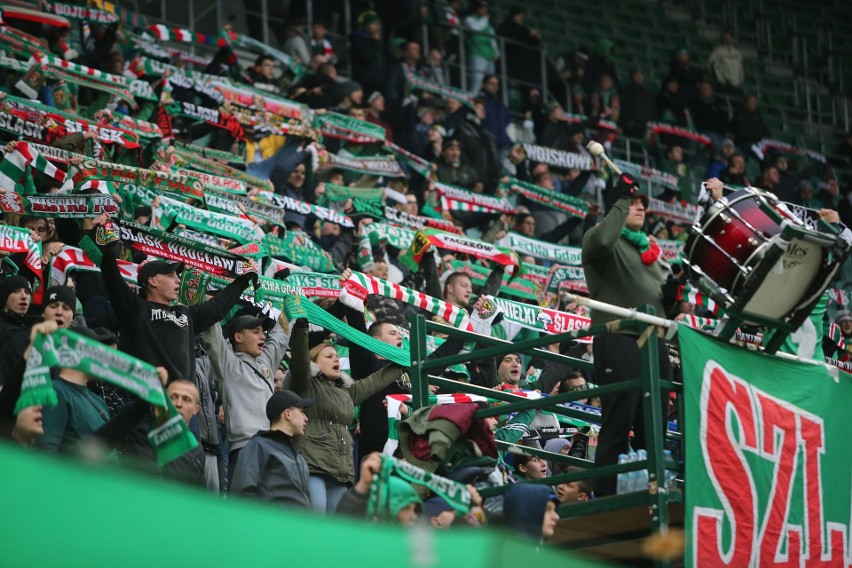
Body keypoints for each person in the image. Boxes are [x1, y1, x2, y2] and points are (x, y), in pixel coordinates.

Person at [85, 213, 259, 386]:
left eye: (177, 275)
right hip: (147, 403)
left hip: (183, 404)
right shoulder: (135, 309)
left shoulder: (185, 314)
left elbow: (218, 306)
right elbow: (111, 274)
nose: (177, 280)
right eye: (170, 275)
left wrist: (245, 278)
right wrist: (101, 232)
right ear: (152, 281)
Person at [581, 174, 674, 496]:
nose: (640, 208)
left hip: (654, 340)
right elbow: (605, 239)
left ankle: (652, 490)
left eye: (642, 205)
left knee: (654, 427)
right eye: (633, 204)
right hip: (618, 336)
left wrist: (671, 298)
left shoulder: (648, 251)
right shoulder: (599, 239)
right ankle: (606, 497)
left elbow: (663, 307)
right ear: (617, 209)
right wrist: (621, 198)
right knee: (618, 423)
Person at [287, 310, 410, 514]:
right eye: (329, 356)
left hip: (341, 471)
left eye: (337, 355)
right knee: (315, 523)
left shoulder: (346, 391)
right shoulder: (305, 383)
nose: (336, 359)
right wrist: (301, 328)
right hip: (313, 466)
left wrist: (405, 361)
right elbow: (299, 358)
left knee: (338, 528)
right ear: (315, 362)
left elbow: (377, 380)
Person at [202, 311, 291, 488]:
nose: (262, 336)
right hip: (244, 448)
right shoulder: (228, 363)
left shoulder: (265, 363)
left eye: (263, 332)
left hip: (271, 447)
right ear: (238, 337)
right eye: (255, 332)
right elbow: (213, 331)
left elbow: (280, 338)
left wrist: (289, 311)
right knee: (243, 508)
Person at [230, 390, 314, 508]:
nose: (306, 418)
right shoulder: (258, 446)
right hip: (272, 525)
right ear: (287, 414)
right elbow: (242, 496)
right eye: (301, 412)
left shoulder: (298, 457)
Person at [464, 1, 498, 94]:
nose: (484, 11)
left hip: (489, 56)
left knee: (489, 81)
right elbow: (476, 28)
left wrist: (496, 52)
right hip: (477, 53)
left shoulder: (488, 25)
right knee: (477, 80)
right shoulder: (470, 19)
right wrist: (485, 18)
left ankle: (486, 102)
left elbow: (493, 40)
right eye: (482, 9)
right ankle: (473, 99)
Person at [708, 31, 745, 98]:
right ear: (722, 39)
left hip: (736, 85)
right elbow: (712, 65)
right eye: (725, 37)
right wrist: (721, 80)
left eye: (729, 37)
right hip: (724, 85)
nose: (728, 39)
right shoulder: (717, 52)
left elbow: (740, 67)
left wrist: (740, 80)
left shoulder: (737, 52)